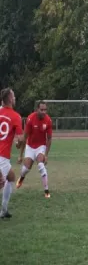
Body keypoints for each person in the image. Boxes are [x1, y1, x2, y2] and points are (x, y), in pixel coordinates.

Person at [16, 101, 53, 198]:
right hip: (30, 146)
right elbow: (24, 137)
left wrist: (46, 155)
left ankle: (46, 190)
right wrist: (20, 155)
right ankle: (22, 177)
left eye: (45, 110)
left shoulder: (48, 120)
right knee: (26, 169)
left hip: (41, 146)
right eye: (42, 110)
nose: (44, 112)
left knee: (41, 164)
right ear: (37, 110)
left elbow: (49, 139)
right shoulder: (30, 119)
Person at [0, 88, 23, 219]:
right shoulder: (15, 116)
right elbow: (20, 140)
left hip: (3, 157)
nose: (15, 99)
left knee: (11, 177)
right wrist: (18, 144)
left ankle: (4, 210)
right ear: (9, 99)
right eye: (13, 97)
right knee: (1, 183)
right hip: (2, 156)